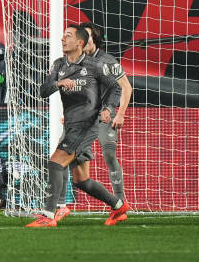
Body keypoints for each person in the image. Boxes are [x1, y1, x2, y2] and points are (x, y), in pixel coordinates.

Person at [26, 25, 132, 227]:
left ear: (80, 43)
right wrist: (59, 83)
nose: (63, 39)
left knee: (56, 162)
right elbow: (43, 91)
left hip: (87, 125)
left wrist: (109, 108)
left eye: (68, 36)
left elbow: (114, 87)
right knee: (82, 180)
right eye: (63, 35)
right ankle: (118, 206)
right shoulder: (58, 65)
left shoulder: (95, 65)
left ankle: (48, 216)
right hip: (71, 124)